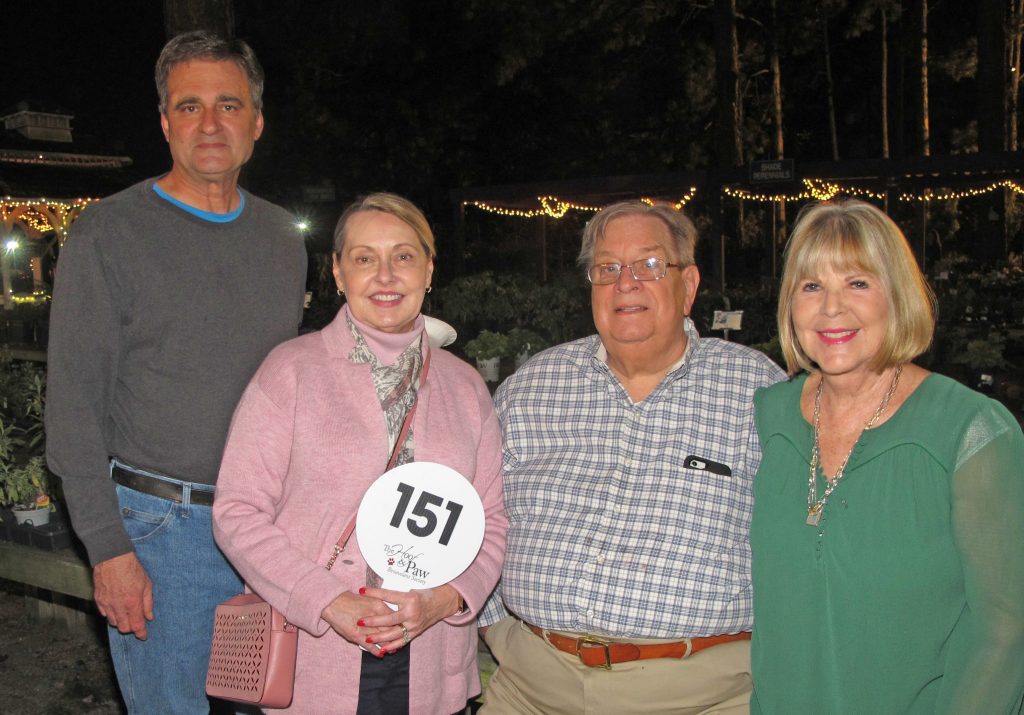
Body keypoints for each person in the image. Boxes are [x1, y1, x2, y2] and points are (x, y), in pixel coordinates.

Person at [44, 31, 307, 714]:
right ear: (165, 123)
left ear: (257, 122)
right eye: (190, 106)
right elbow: (72, 410)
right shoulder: (108, 233)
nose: (210, 124)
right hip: (160, 533)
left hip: (268, 530)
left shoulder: (283, 239)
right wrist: (109, 549)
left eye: (229, 105)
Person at [479, 200, 786, 714]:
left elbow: (802, 539)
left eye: (649, 265)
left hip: (701, 698)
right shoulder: (532, 387)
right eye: (608, 268)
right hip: (531, 691)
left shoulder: (756, 389)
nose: (626, 283)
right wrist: (495, 628)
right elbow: (480, 511)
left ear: (688, 285)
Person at [213, 192, 507, 715]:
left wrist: (446, 599)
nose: (385, 275)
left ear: (429, 270)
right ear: (338, 272)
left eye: (403, 256)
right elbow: (237, 512)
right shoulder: (291, 372)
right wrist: (327, 599)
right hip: (319, 649)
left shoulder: (465, 387)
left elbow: (492, 521)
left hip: (430, 651)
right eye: (365, 258)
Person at [749, 199, 1024, 714]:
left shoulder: (970, 432)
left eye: (858, 283)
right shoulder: (769, 417)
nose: (832, 308)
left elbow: (1006, 630)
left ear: (897, 296)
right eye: (811, 286)